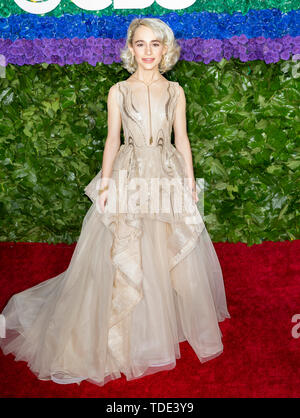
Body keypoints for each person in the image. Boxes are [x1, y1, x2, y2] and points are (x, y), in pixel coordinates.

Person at [0, 18, 230, 387]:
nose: (148, 52)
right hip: (131, 172)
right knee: (129, 246)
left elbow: (182, 139)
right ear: (130, 48)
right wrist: (106, 184)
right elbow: (111, 140)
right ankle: (131, 326)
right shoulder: (118, 91)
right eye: (141, 44)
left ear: (166, 49)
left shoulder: (176, 91)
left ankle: (159, 320)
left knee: (163, 244)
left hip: (165, 171)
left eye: (156, 44)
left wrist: (189, 181)